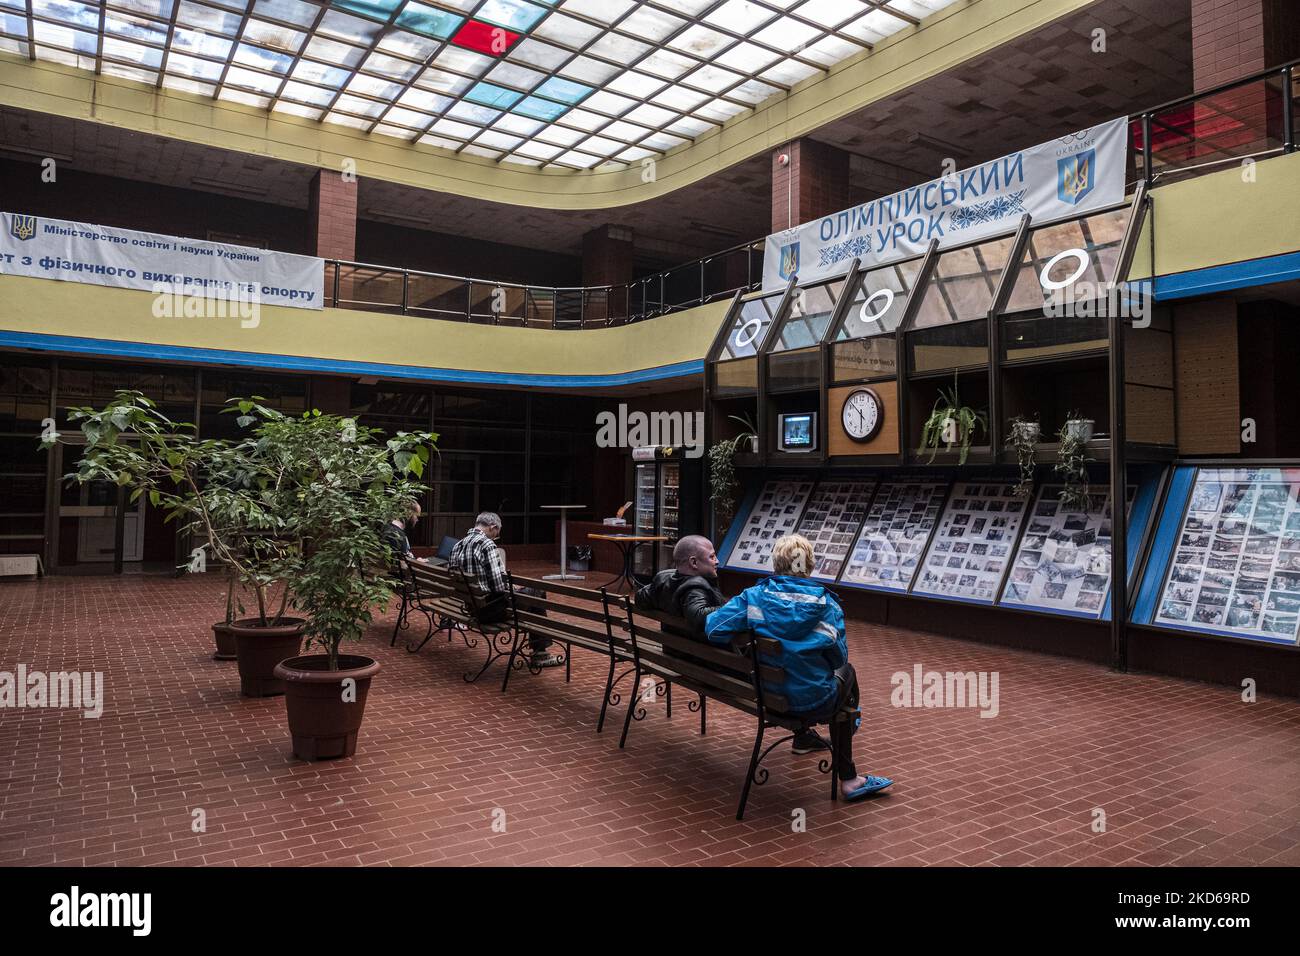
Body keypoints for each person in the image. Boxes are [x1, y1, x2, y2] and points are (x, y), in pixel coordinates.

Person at [705, 534, 893, 800]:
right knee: (847, 672)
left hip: (767, 694)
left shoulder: (754, 597)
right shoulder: (828, 605)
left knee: (816, 675)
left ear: (777, 563)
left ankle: (809, 736)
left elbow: (713, 628)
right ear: (809, 565)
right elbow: (838, 659)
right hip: (814, 701)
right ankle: (850, 775)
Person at [450, 511, 561, 669]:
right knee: (537, 592)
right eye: (497, 534)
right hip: (490, 611)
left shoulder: (457, 545)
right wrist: (514, 589)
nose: (496, 538)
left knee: (528, 596)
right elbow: (499, 587)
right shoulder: (487, 544)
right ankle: (540, 653)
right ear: (493, 527)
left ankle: (539, 649)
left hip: (472, 607)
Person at [634, 534, 726, 637]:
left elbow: (639, 598)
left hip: (672, 648)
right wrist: (732, 607)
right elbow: (697, 615)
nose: (717, 561)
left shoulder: (664, 580)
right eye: (712, 556)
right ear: (694, 562)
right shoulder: (696, 588)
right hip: (697, 651)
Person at [382, 498, 425, 564]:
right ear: (409, 514)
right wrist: (417, 562)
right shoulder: (398, 535)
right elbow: (404, 563)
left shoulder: (388, 527)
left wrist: (416, 560)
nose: (417, 520)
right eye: (416, 516)